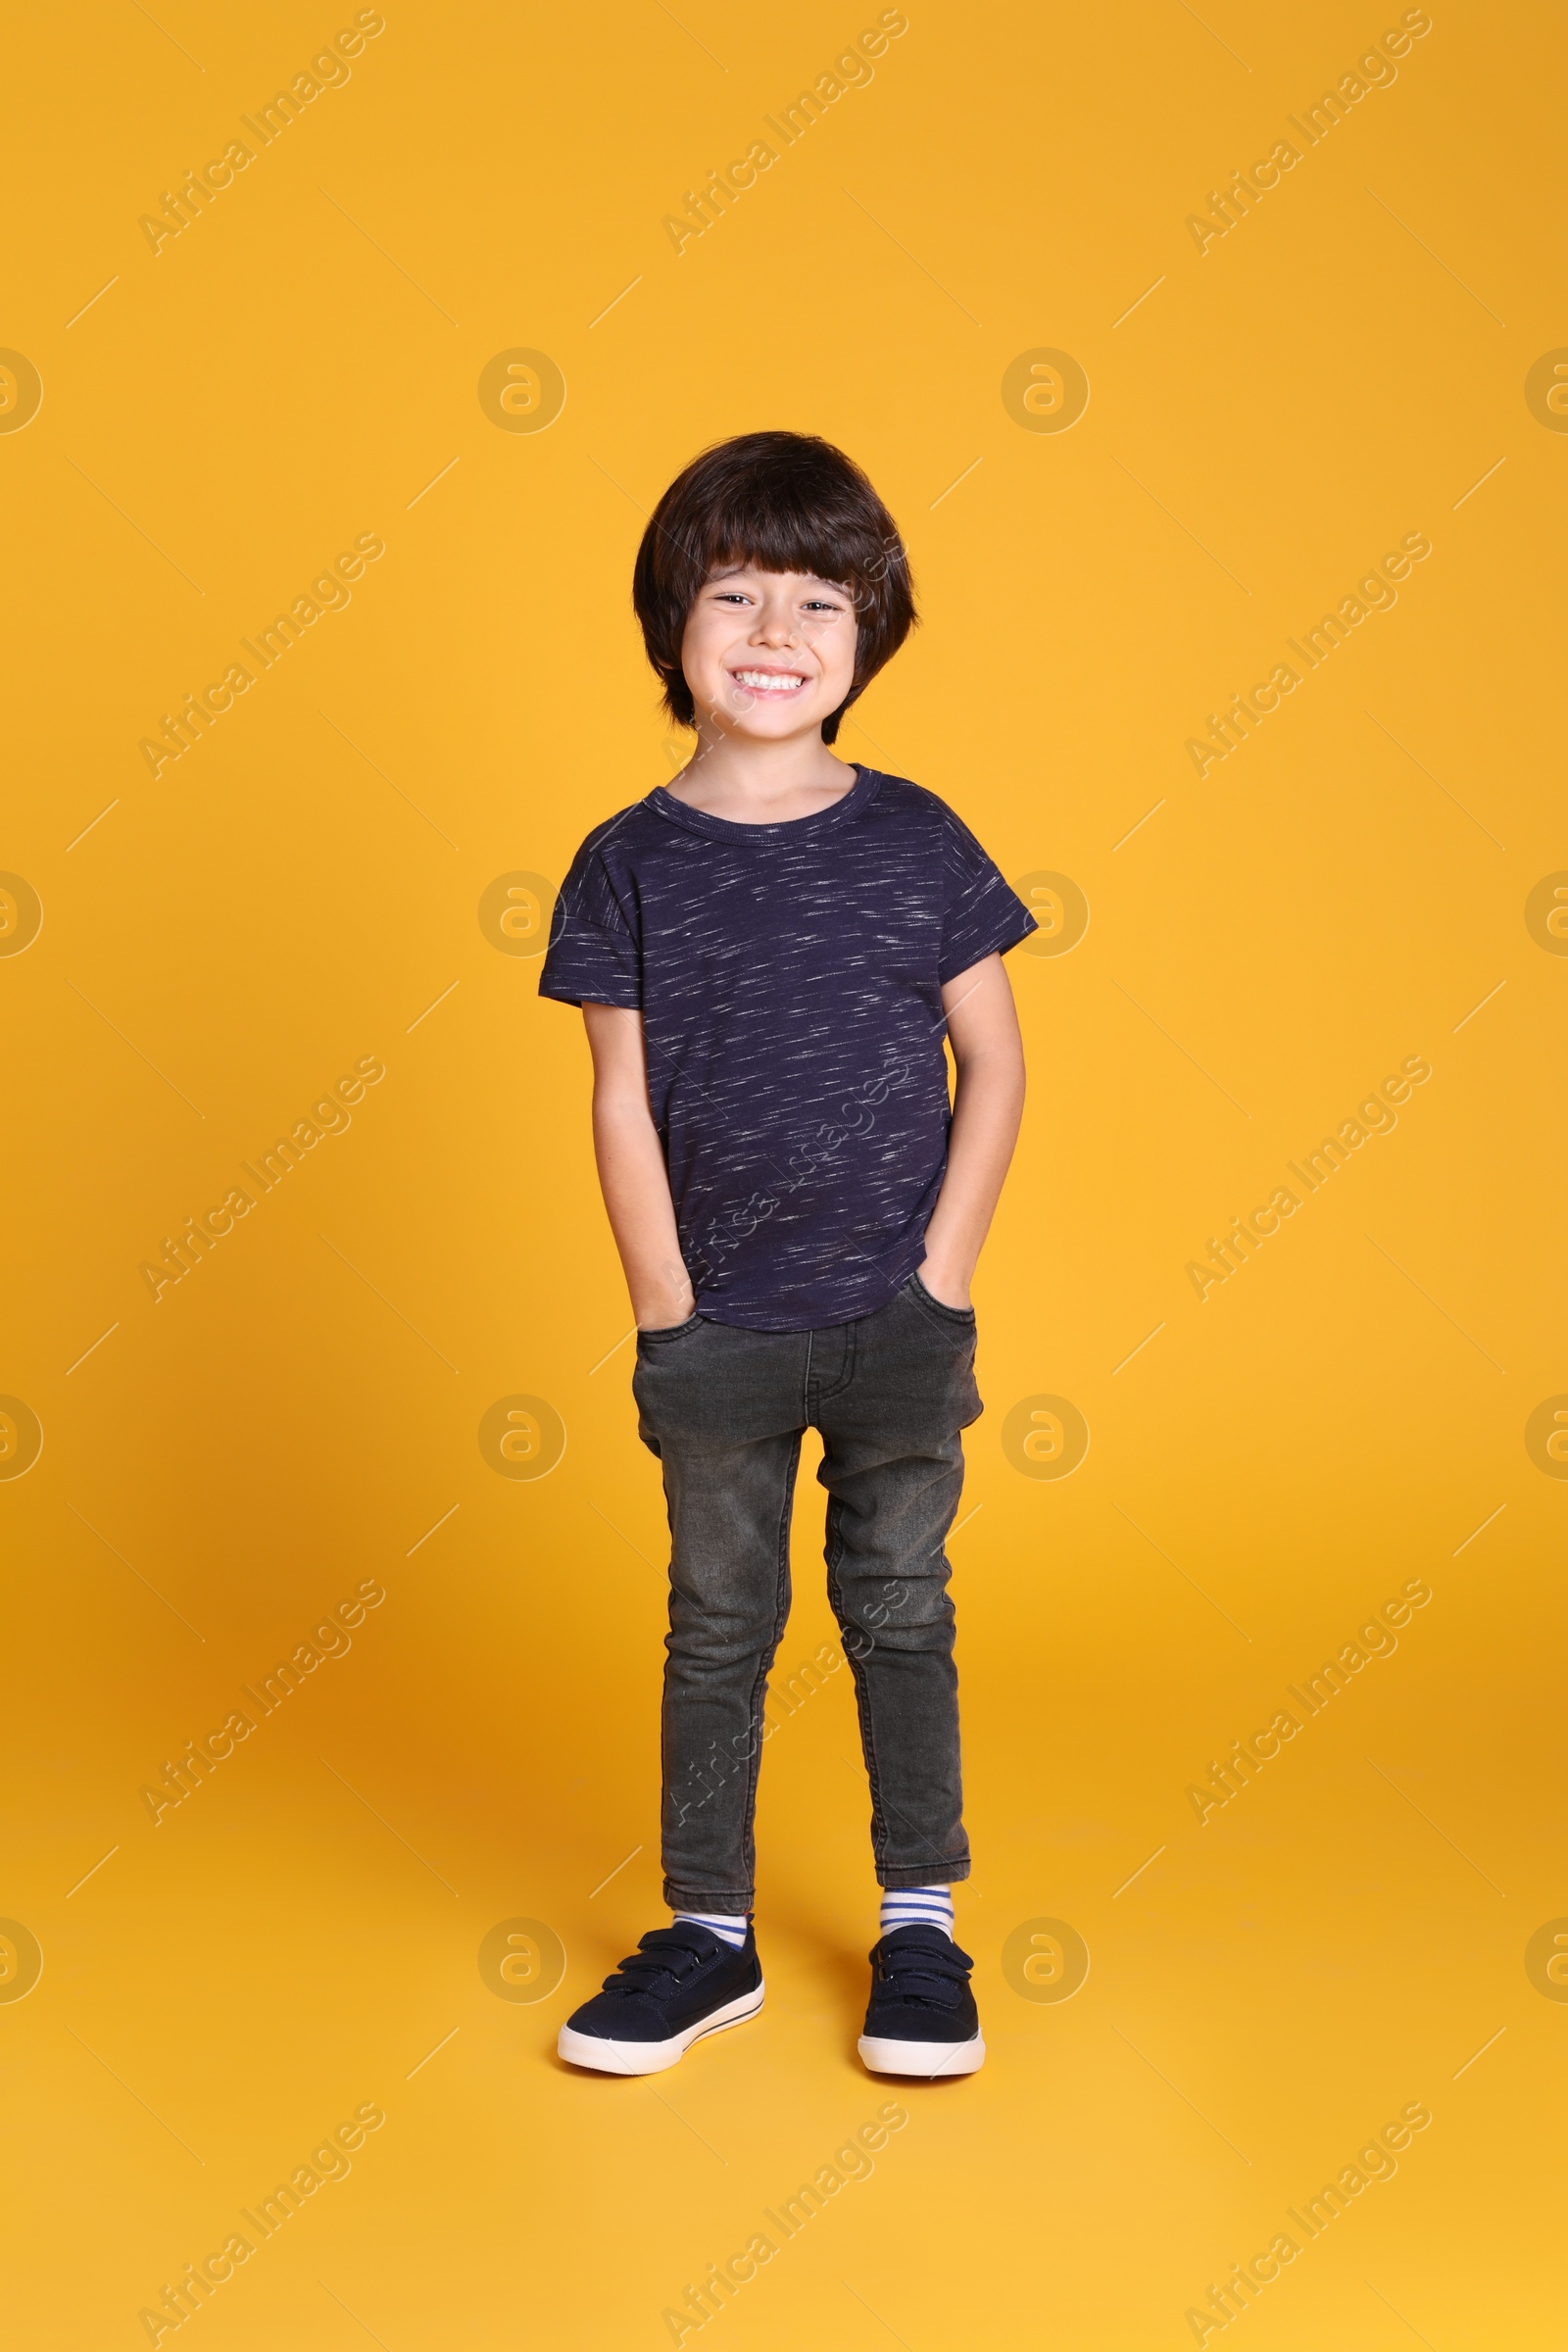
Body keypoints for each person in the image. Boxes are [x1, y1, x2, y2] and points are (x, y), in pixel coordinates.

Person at [540, 429, 1033, 2078]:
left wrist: (944, 1274)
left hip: (898, 1318)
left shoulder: (916, 839)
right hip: (720, 1335)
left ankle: (922, 1932)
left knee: (901, 1607)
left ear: (868, 637)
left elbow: (1001, 1060)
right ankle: (708, 1935)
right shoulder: (625, 864)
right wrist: (667, 1308)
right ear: (671, 626)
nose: (774, 632)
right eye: (734, 594)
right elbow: (620, 1101)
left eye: (820, 601)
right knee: (715, 1621)